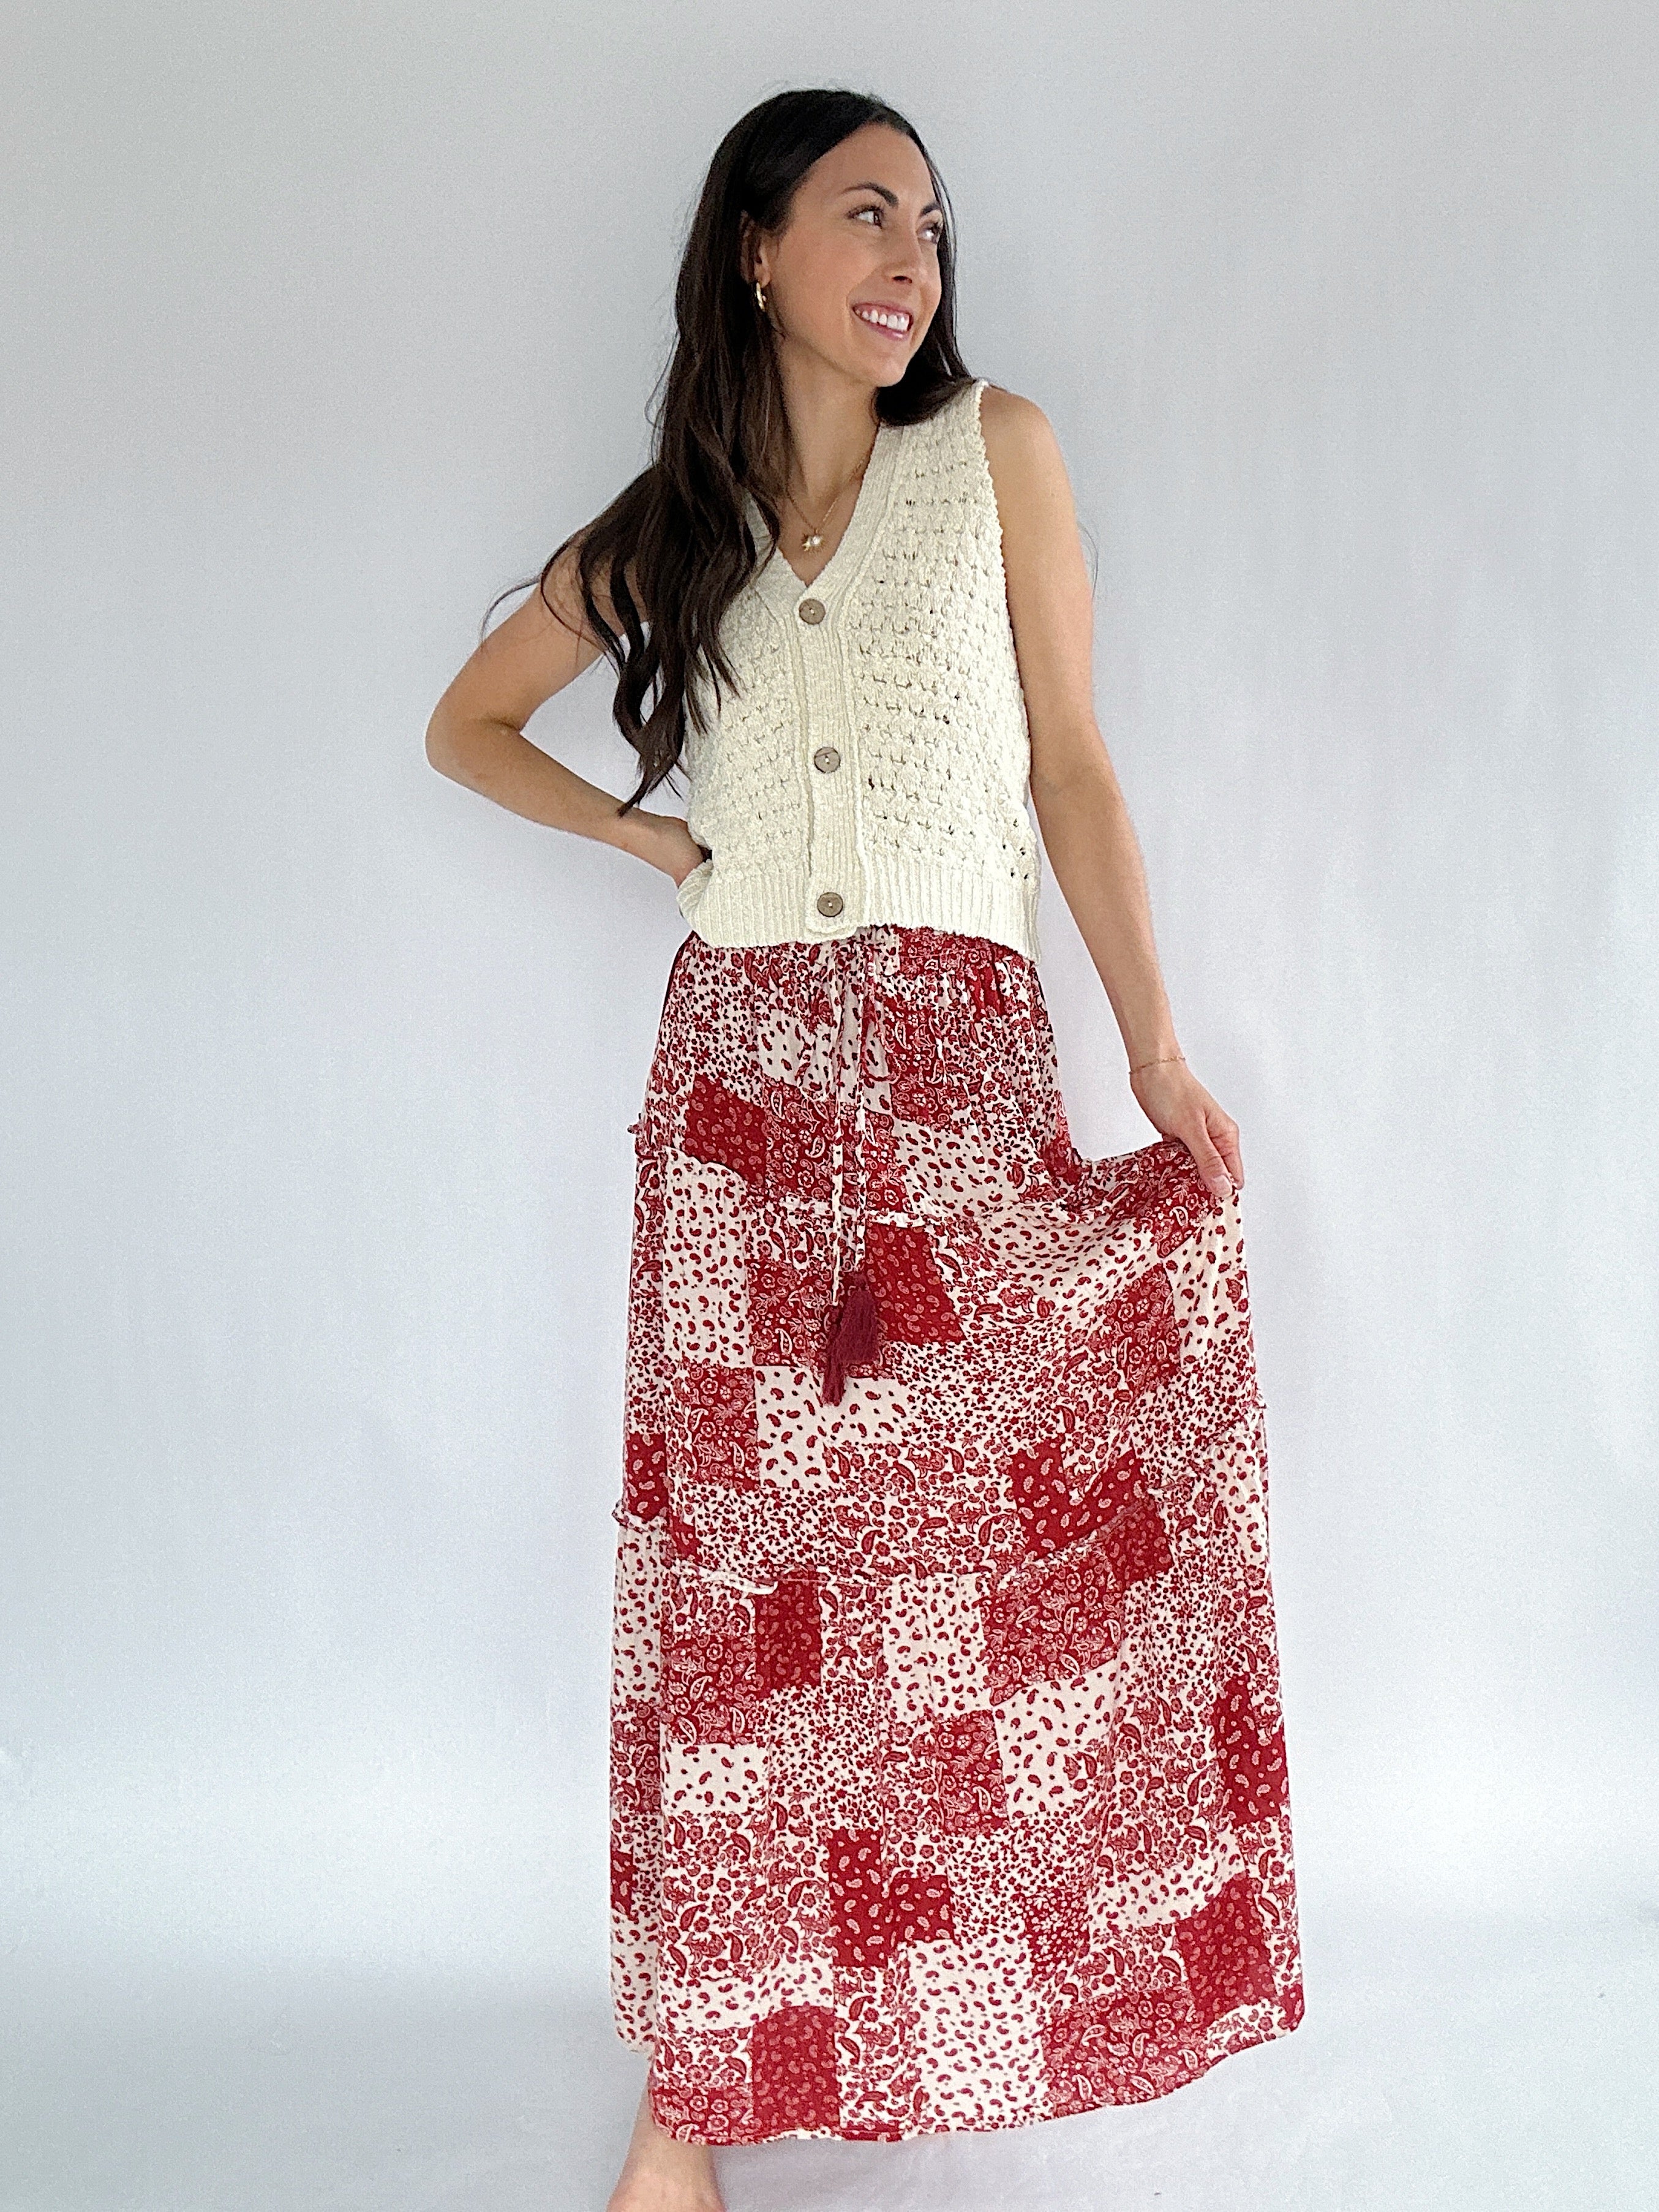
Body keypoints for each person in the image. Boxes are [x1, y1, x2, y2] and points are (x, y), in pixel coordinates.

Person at [426, 86, 1303, 2212]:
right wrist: (651, 840)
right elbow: (465, 721)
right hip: (735, 1092)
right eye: (859, 212)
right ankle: (690, 2106)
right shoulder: (681, 518)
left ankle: (954, 2001)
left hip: (950, 1067)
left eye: (927, 221)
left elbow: (1075, 771)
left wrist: (1156, 1046)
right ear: (754, 251)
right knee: (744, 1593)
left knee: (953, 1572)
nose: (906, 254)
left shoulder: (996, 452)